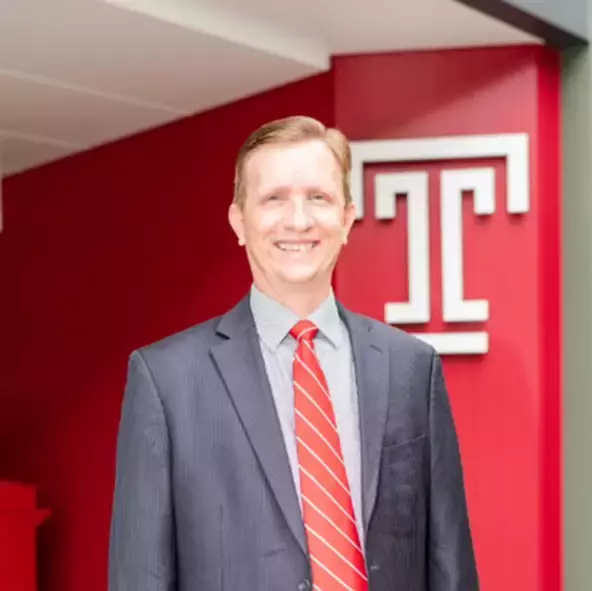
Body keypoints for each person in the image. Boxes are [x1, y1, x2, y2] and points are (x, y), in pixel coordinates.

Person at [108, 115, 479, 591]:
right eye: (274, 199)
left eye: (318, 198)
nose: (299, 220)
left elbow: (450, 565)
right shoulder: (166, 381)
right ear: (239, 222)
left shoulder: (412, 368)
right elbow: (141, 576)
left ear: (346, 218)